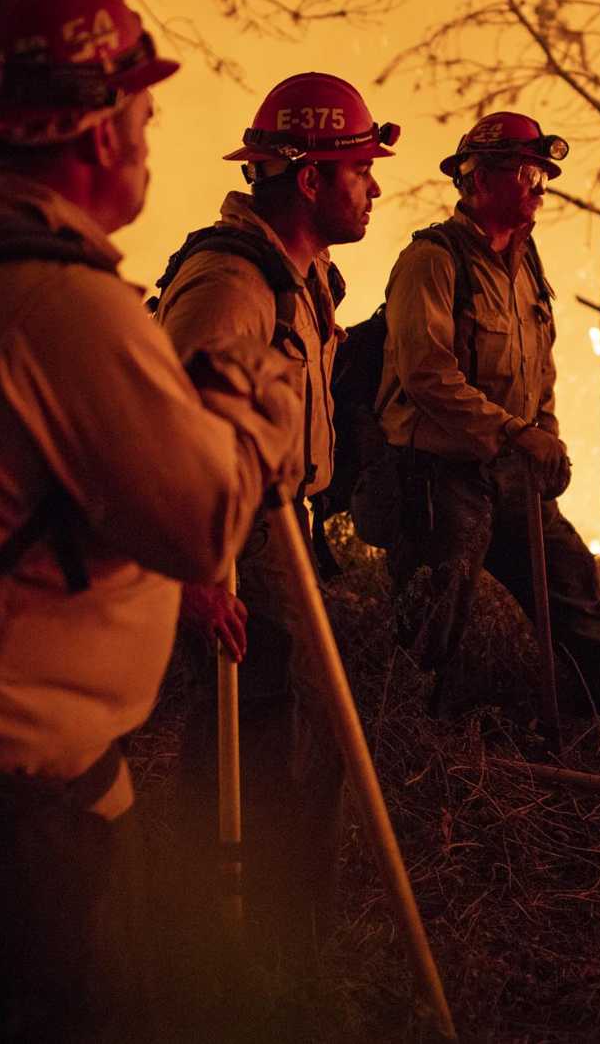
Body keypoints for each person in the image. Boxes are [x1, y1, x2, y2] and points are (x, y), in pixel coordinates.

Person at [0, 0, 301, 1040]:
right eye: (140, 107)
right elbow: (200, 521)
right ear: (98, 133)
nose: (148, 132)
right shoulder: (62, 309)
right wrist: (256, 388)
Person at [151, 71, 392, 979]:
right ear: (308, 179)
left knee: (293, 745)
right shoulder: (230, 286)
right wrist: (194, 575)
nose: (373, 186)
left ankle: (268, 950)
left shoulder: (305, 277)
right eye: (360, 169)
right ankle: (254, 968)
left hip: (285, 534)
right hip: (242, 543)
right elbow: (166, 440)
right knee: (268, 758)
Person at [376, 112, 600, 713]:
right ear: (480, 178)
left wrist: (544, 436)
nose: (541, 186)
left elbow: (538, 367)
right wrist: (518, 433)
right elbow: (426, 374)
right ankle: (408, 739)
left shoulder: (527, 265)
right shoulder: (432, 262)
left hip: (508, 469)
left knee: (571, 579)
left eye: (544, 174)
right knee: (433, 620)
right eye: (529, 172)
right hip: (439, 478)